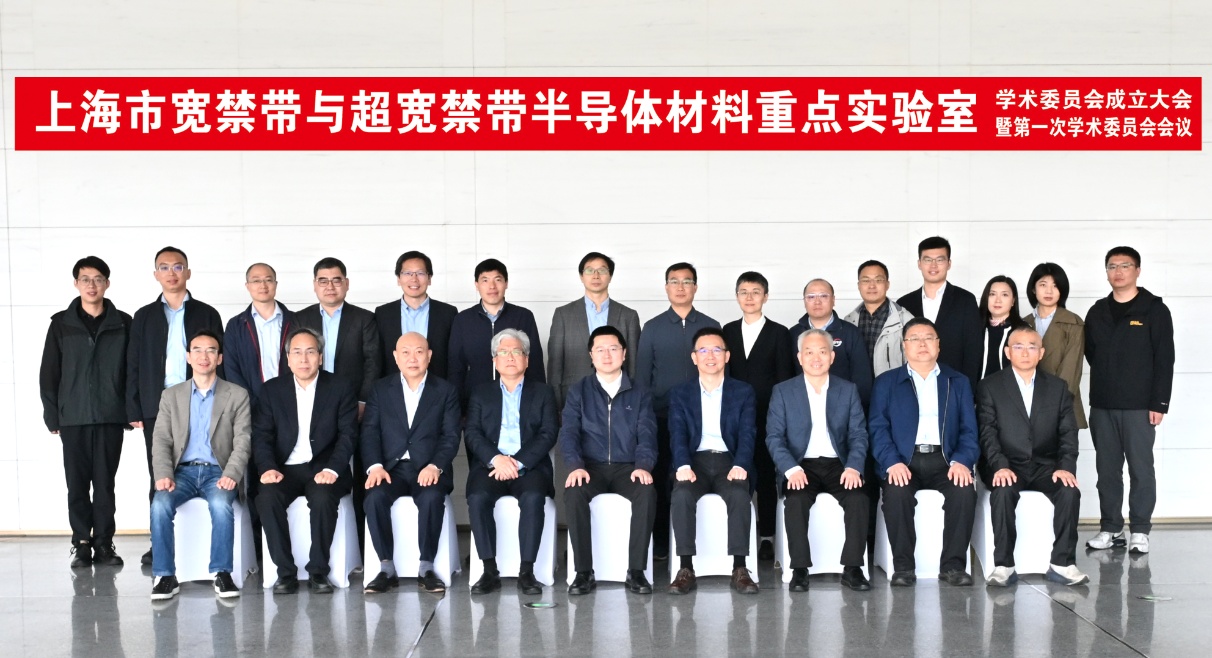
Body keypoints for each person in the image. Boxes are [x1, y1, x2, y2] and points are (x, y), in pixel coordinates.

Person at [127, 246, 224, 565]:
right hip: (157, 405)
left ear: (188, 272)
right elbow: (133, 363)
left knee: (204, 463)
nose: (172, 273)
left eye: (178, 266)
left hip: (200, 400)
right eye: (165, 267)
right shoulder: (143, 316)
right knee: (159, 471)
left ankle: (205, 541)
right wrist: (134, 407)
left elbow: (219, 361)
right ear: (156, 274)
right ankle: (158, 544)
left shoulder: (206, 313)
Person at [869, 318, 979, 587]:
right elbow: (878, 429)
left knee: (964, 492)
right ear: (904, 346)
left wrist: (962, 461)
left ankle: (953, 566)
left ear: (938, 345)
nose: (922, 344)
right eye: (914, 338)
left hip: (946, 459)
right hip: (904, 460)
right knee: (897, 494)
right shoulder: (886, 382)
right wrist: (892, 462)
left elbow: (969, 430)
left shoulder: (957, 381)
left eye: (928, 338)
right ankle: (903, 568)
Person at [977, 327, 1088, 587]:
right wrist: (999, 465)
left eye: (1031, 347)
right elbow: (987, 432)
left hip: (1045, 465)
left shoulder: (1058, 388)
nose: (1025, 352)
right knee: (1003, 492)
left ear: (1041, 353)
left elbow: (1068, 433)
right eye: (1018, 346)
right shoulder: (990, 386)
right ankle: (1004, 565)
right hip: (1006, 464)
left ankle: (1062, 563)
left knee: (1069, 492)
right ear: (1008, 352)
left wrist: (1066, 466)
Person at [40, 256, 132, 568]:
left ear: (107, 283)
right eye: (85, 279)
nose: (91, 285)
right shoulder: (61, 324)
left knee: (105, 484)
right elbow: (49, 373)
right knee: (77, 484)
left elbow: (131, 371)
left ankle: (104, 543)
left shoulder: (124, 323)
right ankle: (81, 543)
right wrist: (52, 414)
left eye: (98, 279)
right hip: (73, 417)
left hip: (110, 416)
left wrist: (129, 410)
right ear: (76, 283)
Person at [148, 330, 253, 600]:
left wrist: (232, 474)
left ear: (219, 358)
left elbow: (243, 440)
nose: (203, 356)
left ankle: (222, 573)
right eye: (197, 350)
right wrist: (163, 474)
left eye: (210, 350)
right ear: (188, 357)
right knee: (159, 505)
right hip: (181, 473)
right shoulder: (171, 396)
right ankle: (165, 576)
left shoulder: (237, 395)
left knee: (220, 505)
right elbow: (161, 439)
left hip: (218, 471)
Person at [253, 328, 358, 594]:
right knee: (267, 497)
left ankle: (319, 571)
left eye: (310, 352)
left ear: (320, 357)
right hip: (284, 469)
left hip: (325, 467)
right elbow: (261, 436)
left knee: (323, 498)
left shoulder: (340, 387)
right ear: (288, 358)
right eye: (297, 352)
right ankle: (285, 572)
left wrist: (333, 469)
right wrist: (267, 467)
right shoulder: (271, 390)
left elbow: (348, 435)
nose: (304, 359)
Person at [1084, 247, 1174, 555]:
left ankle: (1140, 530)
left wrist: (1159, 403)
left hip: (1140, 407)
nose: (1118, 271)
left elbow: (1164, 359)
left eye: (1125, 265)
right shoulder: (1097, 311)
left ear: (1137, 270)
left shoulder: (1154, 310)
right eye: (1112, 266)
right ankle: (1111, 528)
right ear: (1106, 272)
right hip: (1103, 405)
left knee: (1140, 470)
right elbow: (1092, 354)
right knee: (1107, 471)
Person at [766, 329, 872, 592]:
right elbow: (774, 437)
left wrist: (853, 466)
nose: (816, 358)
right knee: (796, 501)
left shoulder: (847, 390)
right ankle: (800, 569)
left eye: (822, 352)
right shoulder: (783, 391)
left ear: (832, 357)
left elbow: (858, 434)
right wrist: (790, 468)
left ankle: (852, 568)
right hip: (801, 465)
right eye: (809, 352)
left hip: (839, 465)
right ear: (799, 357)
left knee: (859, 499)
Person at [361, 332, 462, 594]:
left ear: (429, 356)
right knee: (374, 497)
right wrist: (375, 466)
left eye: (419, 352)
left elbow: (451, 436)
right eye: (405, 352)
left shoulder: (446, 390)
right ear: (396, 357)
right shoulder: (380, 389)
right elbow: (369, 432)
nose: (412, 358)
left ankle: (426, 568)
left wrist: (435, 465)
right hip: (390, 469)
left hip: (429, 468)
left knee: (431, 498)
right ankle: (386, 568)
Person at [562, 326, 658, 595]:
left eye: (613, 349)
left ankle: (636, 571)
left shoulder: (640, 392)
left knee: (646, 492)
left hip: (628, 467)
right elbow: (569, 432)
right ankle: (583, 572)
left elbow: (647, 433)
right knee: (574, 492)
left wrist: (643, 466)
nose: (607, 355)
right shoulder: (578, 391)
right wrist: (575, 466)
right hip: (590, 468)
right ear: (591, 356)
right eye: (600, 350)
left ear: (624, 354)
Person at [295, 256, 381, 553]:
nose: (330, 286)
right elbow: (294, 362)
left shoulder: (364, 318)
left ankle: (360, 544)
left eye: (336, 280)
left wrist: (362, 402)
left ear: (346, 283)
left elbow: (372, 363)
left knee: (359, 474)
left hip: (354, 407)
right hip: (312, 408)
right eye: (323, 280)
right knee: (322, 465)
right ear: (314, 285)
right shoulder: (301, 319)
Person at [464, 329, 559, 595]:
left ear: (527, 359)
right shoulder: (481, 393)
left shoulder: (543, 392)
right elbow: (472, 433)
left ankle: (527, 571)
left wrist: (517, 462)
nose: (510, 357)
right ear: (494, 360)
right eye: (503, 352)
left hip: (529, 466)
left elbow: (548, 433)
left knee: (533, 497)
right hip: (490, 467)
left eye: (516, 351)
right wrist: (497, 459)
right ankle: (489, 570)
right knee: (478, 497)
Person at [635, 262, 720, 559]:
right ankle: (661, 542)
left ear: (695, 287)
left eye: (686, 281)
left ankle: (698, 544)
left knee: (693, 476)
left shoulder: (710, 326)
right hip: (661, 416)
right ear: (666, 287)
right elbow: (642, 377)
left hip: (701, 418)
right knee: (660, 478)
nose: (680, 287)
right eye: (674, 281)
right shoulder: (653, 327)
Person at [667, 327, 760, 595]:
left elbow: (748, 433)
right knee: (682, 494)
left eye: (717, 350)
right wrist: (682, 465)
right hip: (694, 462)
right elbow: (677, 433)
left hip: (729, 461)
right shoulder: (680, 393)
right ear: (694, 357)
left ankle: (740, 568)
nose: (710, 356)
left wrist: (741, 465)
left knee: (739, 495)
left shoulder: (743, 391)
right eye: (704, 350)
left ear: (727, 356)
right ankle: (686, 569)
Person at [721, 271, 794, 561]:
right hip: (734, 416)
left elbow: (784, 379)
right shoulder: (727, 330)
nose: (749, 297)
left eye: (755, 292)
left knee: (765, 475)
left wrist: (780, 418)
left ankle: (766, 537)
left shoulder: (779, 333)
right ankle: (735, 538)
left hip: (767, 415)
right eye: (743, 292)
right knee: (735, 471)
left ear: (766, 296)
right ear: (736, 296)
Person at [547, 252, 641, 409]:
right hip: (573, 398)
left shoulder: (628, 316)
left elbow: (633, 365)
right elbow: (555, 366)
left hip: (618, 398)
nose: (596, 275)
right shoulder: (563, 314)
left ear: (610, 276)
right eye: (590, 270)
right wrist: (556, 406)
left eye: (602, 270)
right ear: (581, 276)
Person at [448, 258, 546, 408]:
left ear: (506, 283)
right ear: (476, 285)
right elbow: (456, 368)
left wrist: (539, 403)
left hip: (519, 400)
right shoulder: (462, 319)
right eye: (485, 280)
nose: (492, 286)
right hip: (474, 402)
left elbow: (535, 364)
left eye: (498, 279)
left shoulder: (523, 316)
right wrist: (456, 408)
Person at [896, 236, 983, 388]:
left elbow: (973, 350)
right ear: (919, 263)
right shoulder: (904, 303)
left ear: (949, 263)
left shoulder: (965, 300)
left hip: (953, 385)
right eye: (928, 260)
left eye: (940, 260)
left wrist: (968, 390)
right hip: (912, 386)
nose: (933, 265)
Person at [789, 278, 873, 406]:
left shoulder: (850, 332)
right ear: (804, 301)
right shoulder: (793, 334)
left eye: (823, 296)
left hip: (842, 406)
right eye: (811, 297)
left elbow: (862, 378)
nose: (817, 301)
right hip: (802, 406)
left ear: (833, 300)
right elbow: (788, 376)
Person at [374, 250, 458, 379]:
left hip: (438, 386)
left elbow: (454, 358)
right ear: (398, 279)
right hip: (394, 387)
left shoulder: (448, 313)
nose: (414, 279)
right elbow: (378, 359)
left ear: (429, 278)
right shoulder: (383, 314)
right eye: (407, 273)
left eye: (420, 273)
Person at [1023, 263, 1087, 429]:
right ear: (1033, 289)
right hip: (1026, 406)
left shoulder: (1073, 323)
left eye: (1055, 286)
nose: (1049, 291)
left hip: (1061, 407)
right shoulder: (1023, 324)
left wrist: (1051, 406)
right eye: (1043, 285)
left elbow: (1071, 371)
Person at [223, 263, 296, 405]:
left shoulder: (296, 321)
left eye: (268, 280)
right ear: (247, 286)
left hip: (291, 403)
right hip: (249, 406)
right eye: (256, 281)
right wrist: (251, 402)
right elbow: (231, 369)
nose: (263, 285)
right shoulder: (235, 325)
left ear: (276, 284)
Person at [844, 260, 916, 378]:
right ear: (858, 285)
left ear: (887, 284)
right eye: (866, 280)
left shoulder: (906, 321)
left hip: (892, 387)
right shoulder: (849, 321)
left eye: (878, 280)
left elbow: (915, 363)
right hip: (858, 387)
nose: (872, 285)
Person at [978, 275, 1024, 380]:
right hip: (976, 389)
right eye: (992, 294)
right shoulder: (974, 328)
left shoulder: (1022, 330)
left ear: (1013, 301)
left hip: (1009, 389)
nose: (997, 300)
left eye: (1004, 295)